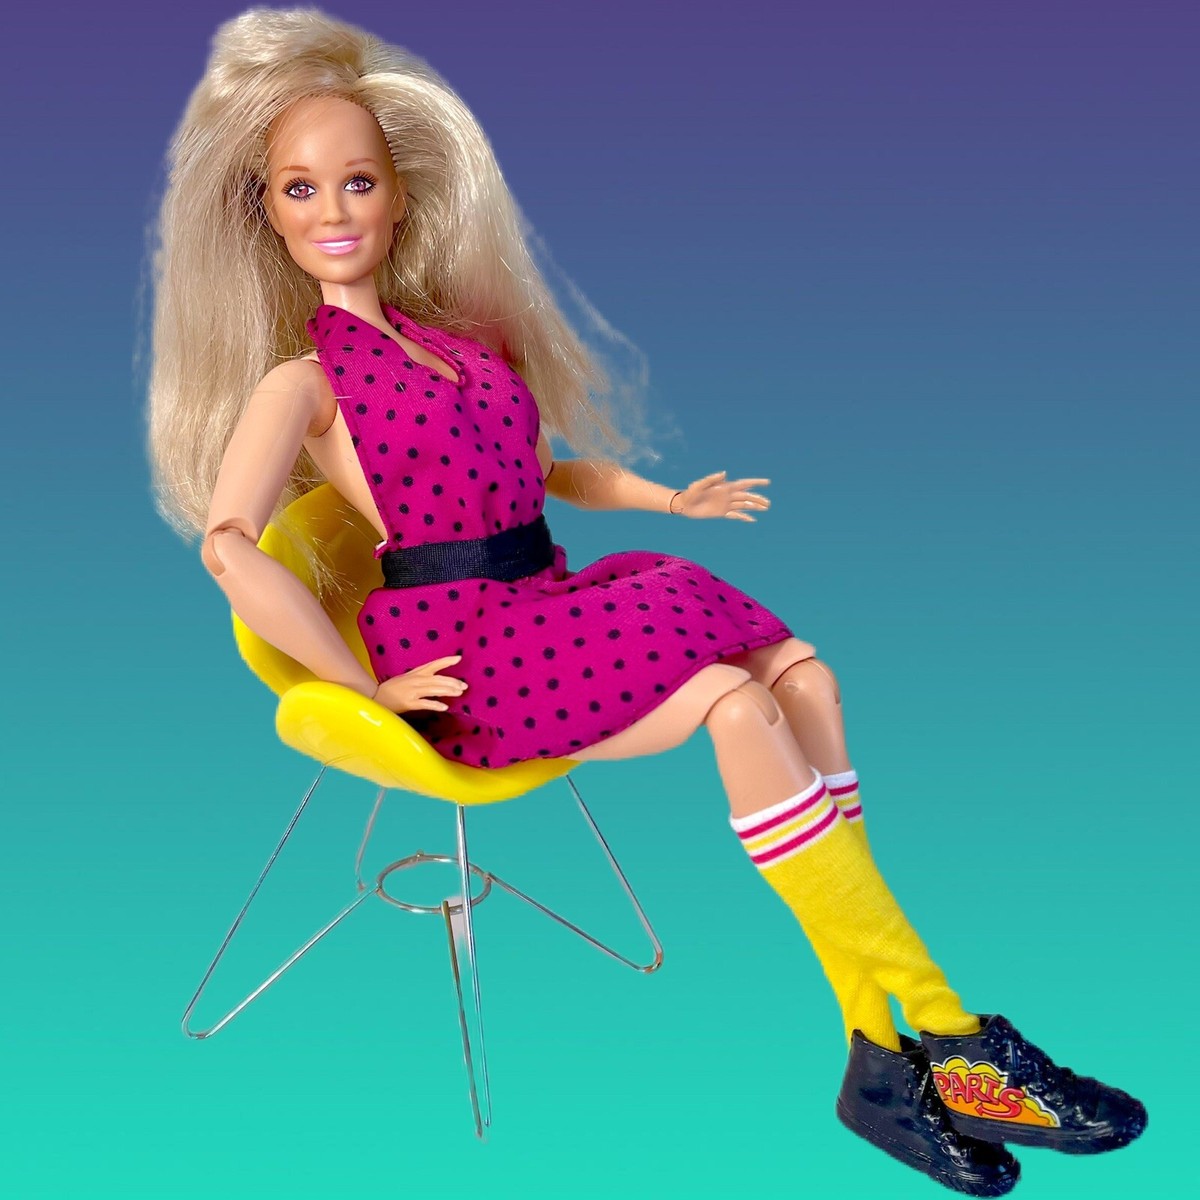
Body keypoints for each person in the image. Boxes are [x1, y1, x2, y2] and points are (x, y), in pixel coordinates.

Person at [146, 8, 1146, 1193]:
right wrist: (361, 684)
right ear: (266, 212)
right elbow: (229, 549)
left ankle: (880, 1061)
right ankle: (947, 1031)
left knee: (806, 677)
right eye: (301, 189)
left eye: (357, 181)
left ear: (400, 195)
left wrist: (671, 501)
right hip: (470, 654)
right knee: (734, 703)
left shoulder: (460, 347)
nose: (334, 211)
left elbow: (548, 474)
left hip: (555, 598)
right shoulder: (304, 384)